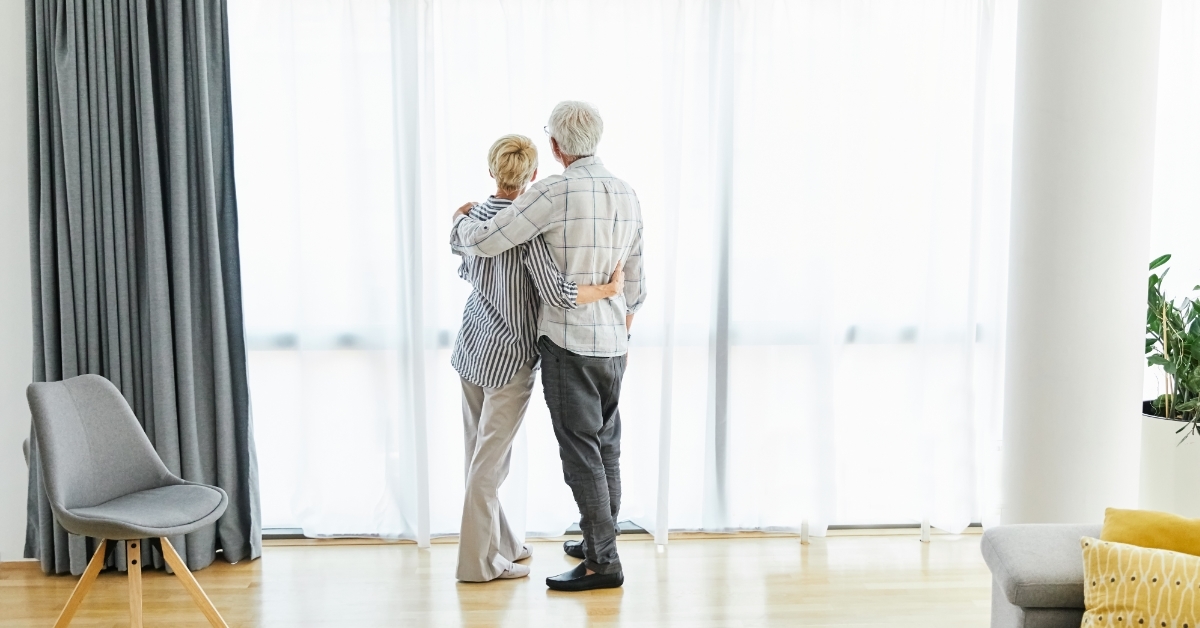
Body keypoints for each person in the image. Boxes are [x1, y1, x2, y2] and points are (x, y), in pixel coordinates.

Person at [450, 102, 647, 592]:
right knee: (606, 446)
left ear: (556, 147)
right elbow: (637, 280)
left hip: (560, 342)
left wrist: (460, 224)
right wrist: (619, 312)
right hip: (612, 344)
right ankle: (597, 542)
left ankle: (603, 560)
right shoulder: (628, 192)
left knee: (579, 453)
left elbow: (489, 239)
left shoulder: (552, 193)